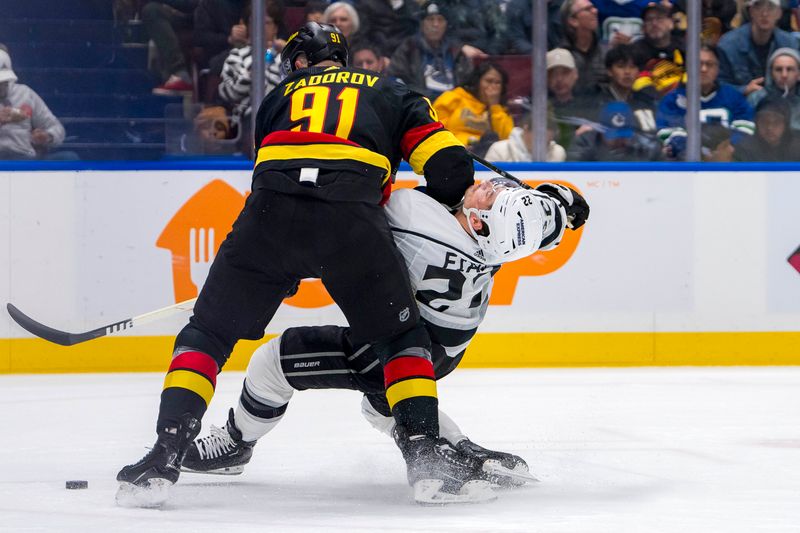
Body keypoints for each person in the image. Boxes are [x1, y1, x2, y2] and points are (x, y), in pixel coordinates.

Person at [116, 21, 484, 508]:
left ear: (301, 64)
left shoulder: (276, 99)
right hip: (351, 222)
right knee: (401, 340)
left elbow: (277, 175)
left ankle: (164, 455)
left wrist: (282, 267)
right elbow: (449, 172)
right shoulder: (391, 90)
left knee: (206, 335)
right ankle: (427, 457)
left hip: (268, 221)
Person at [180, 178, 590, 498]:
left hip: (391, 349)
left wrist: (278, 270)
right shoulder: (505, 241)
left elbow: (346, 236)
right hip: (442, 352)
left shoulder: (415, 217)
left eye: (490, 198)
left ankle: (235, 444)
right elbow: (551, 222)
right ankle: (457, 448)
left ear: (480, 222)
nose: (487, 186)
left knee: (272, 363)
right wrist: (562, 201)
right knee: (382, 406)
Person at [657, 44, 755, 160]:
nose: (704, 69)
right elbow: (666, 132)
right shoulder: (672, 100)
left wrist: (724, 147)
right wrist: (698, 151)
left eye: (709, 64)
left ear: (718, 68)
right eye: (699, 64)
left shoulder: (733, 96)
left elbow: (745, 127)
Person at [0, 49, 76, 161]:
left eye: (4, 82)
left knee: (69, 158)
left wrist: (47, 136)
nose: (2, 86)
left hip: (25, 158)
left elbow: (56, 127)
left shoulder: (25, 94)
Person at [387, 1, 472, 99]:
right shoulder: (408, 48)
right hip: (421, 106)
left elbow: (468, 84)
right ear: (422, 23)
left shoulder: (456, 51)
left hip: (453, 108)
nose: (435, 24)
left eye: (440, 20)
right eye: (430, 19)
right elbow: (394, 78)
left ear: (446, 24)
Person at [717, 0, 799, 96]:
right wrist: (744, 90)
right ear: (751, 12)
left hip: (783, 103)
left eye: (770, 8)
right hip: (740, 104)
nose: (764, 14)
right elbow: (718, 85)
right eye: (759, 7)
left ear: (779, 13)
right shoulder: (728, 45)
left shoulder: (790, 43)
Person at [432, 62, 514, 155]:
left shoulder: (501, 111)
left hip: (486, 157)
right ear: (477, 81)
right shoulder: (454, 97)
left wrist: (494, 105)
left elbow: (507, 140)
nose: (493, 87)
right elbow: (435, 130)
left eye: (497, 83)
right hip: (453, 152)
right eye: (489, 81)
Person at [591, 44, 657, 133]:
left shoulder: (644, 102)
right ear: (609, 71)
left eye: (632, 67)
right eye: (621, 66)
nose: (627, 72)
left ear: (638, 72)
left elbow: (650, 133)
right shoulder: (595, 100)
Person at [566, 101, 662, 161]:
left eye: (624, 135)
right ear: (600, 130)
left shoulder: (647, 146)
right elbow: (573, 171)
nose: (620, 140)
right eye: (614, 136)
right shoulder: (585, 143)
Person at [142, 0, 200, 95]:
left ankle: (179, 72)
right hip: (175, 14)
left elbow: (197, 4)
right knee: (151, 10)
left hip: (199, 17)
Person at [630, 1, 686, 97]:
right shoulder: (634, 51)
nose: (654, 23)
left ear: (671, 23)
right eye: (649, 20)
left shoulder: (685, 48)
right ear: (643, 28)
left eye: (659, 18)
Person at [748, 47, 800, 133]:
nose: (784, 75)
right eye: (778, 69)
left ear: (798, 74)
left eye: (789, 69)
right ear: (771, 74)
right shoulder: (756, 98)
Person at [559, 0, 608, 90]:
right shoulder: (561, 56)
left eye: (593, 7)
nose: (595, 11)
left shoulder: (607, 52)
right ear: (573, 21)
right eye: (587, 9)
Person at [735, 94, 800, 160]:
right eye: (764, 122)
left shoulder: (797, 148)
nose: (770, 128)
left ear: (786, 124)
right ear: (757, 122)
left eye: (776, 122)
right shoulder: (744, 148)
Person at [484, 111, 567, 162]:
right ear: (526, 129)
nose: (542, 145)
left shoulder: (557, 153)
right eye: (539, 140)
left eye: (547, 142)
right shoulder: (499, 150)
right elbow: (487, 183)